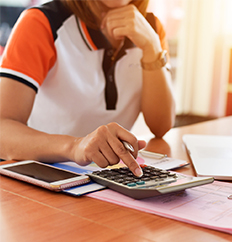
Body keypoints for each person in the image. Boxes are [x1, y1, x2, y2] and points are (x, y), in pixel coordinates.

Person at [0, 0, 175, 177]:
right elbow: (2, 129)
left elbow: (160, 126)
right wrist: (76, 146)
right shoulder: (42, 22)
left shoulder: (150, 28)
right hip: (44, 175)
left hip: (108, 175)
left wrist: (152, 47)